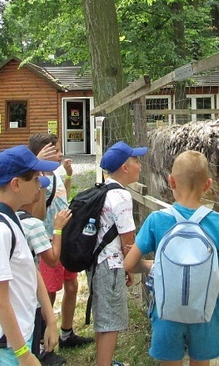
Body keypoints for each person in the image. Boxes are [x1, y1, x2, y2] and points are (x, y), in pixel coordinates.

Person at [124, 150, 219, 366]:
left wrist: (152, 265)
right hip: (206, 315)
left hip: (167, 313)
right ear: (208, 184)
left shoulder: (157, 220)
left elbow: (128, 263)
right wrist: (211, 301)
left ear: (171, 181)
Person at [0, 145, 58, 366]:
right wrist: (23, 354)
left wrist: (50, 320)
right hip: (9, 342)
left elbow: (32, 271)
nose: (40, 185)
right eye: (35, 178)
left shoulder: (12, 220)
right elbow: (0, 301)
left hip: (22, 330)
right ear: (16, 184)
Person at [28, 133, 94, 349]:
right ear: (43, 152)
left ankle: (66, 334)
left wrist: (67, 176)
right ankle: (41, 340)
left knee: (72, 285)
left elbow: (62, 198)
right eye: (55, 150)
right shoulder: (36, 180)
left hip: (63, 241)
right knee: (49, 293)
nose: (60, 153)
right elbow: (37, 216)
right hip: (47, 243)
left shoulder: (55, 173)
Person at [91, 141, 147, 366]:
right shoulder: (122, 197)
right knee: (112, 322)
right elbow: (128, 241)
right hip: (111, 264)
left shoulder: (103, 190)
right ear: (125, 167)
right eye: (136, 161)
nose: (139, 165)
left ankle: (104, 360)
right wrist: (132, 266)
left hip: (96, 263)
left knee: (102, 318)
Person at [17, 172, 71, 365]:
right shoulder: (33, 225)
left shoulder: (3, 219)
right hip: (27, 297)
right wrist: (57, 228)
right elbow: (53, 259)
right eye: (38, 187)